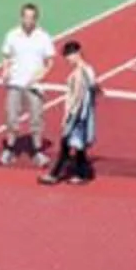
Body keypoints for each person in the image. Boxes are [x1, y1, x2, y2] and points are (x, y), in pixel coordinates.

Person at [0, 2, 57, 164]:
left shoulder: (43, 37)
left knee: (36, 118)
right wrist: (5, 70)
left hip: (34, 86)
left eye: (31, 17)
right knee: (11, 117)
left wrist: (41, 75)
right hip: (15, 83)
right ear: (21, 17)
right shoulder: (12, 35)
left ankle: (37, 152)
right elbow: (6, 55)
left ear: (36, 19)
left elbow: (50, 61)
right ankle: (9, 150)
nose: (28, 20)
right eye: (25, 17)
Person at [44, 39, 98, 185]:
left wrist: (69, 115)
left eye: (69, 55)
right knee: (78, 146)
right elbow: (94, 89)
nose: (68, 59)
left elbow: (77, 96)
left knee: (65, 143)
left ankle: (54, 174)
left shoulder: (79, 73)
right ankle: (82, 173)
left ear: (77, 53)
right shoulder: (89, 70)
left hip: (77, 114)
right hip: (84, 114)